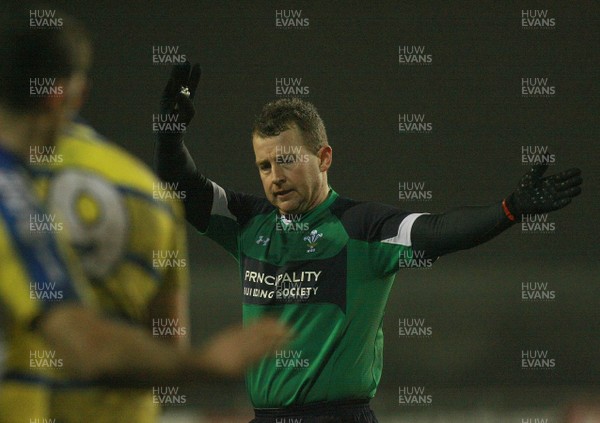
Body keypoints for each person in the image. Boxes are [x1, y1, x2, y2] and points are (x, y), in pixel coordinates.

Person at [154, 62, 583, 423]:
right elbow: (183, 186)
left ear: (323, 158)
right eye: (264, 165)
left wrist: (507, 210)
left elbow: (439, 231)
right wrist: (169, 134)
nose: (274, 177)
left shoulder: (363, 226)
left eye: (286, 160)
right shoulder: (250, 222)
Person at [0, 9, 290, 423]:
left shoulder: (21, 188)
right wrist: (206, 364)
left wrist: (170, 142)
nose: (276, 177)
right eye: (266, 165)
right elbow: (89, 345)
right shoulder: (22, 197)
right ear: (67, 96)